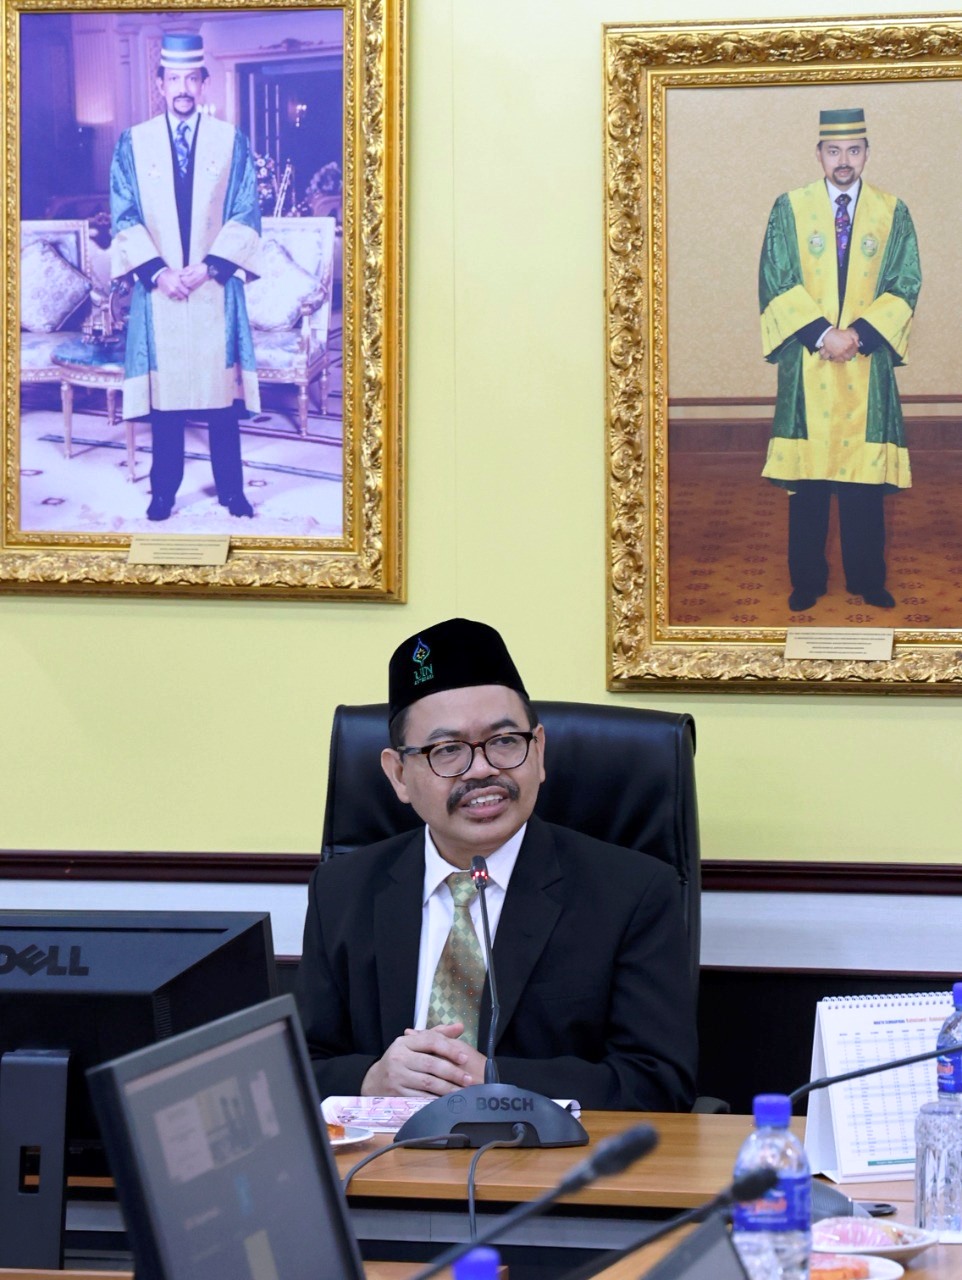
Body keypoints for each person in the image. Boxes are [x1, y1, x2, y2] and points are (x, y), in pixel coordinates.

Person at [294, 617, 697, 1111]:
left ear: (540, 751)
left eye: (505, 742)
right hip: (383, 1172)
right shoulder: (342, 890)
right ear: (398, 775)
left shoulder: (632, 892)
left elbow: (658, 1083)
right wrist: (372, 1078)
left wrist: (494, 1078)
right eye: (448, 750)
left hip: (550, 1174)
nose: (482, 769)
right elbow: (301, 1065)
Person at [758, 107, 922, 613]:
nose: (843, 161)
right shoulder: (790, 208)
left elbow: (905, 283)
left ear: (866, 153)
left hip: (864, 365)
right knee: (808, 482)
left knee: (862, 483)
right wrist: (823, 334)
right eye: (834, 151)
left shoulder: (891, 212)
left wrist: (858, 336)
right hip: (810, 362)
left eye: (853, 150)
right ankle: (806, 580)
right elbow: (775, 278)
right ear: (819, 154)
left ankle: (868, 579)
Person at [110, 32, 261, 522]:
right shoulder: (133, 143)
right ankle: (164, 492)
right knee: (166, 403)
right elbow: (124, 213)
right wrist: (156, 274)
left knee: (221, 402)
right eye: (173, 78)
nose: (182, 88)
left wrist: (211, 267)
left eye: (190, 79)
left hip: (212, 285)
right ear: (159, 84)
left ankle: (232, 491)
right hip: (162, 290)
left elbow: (244, 210)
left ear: (203, 83)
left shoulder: (230, 140)